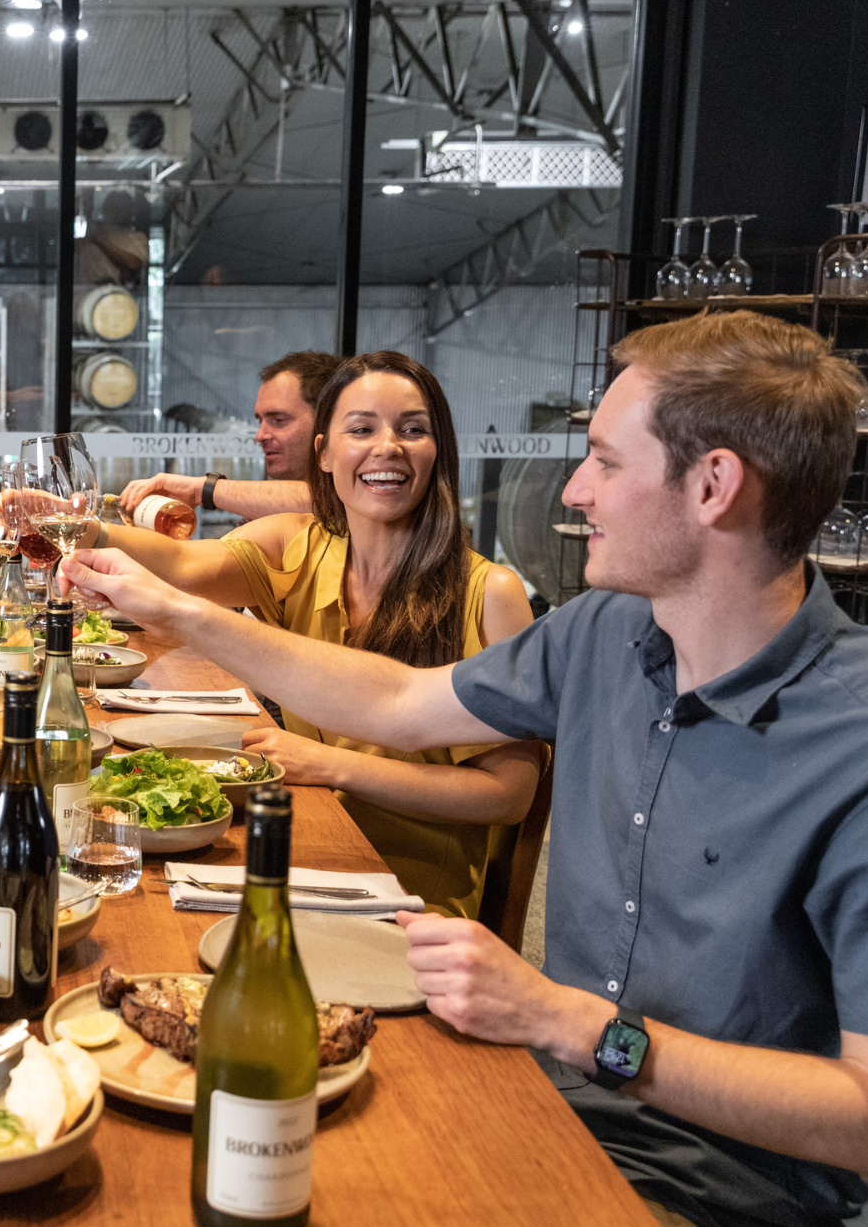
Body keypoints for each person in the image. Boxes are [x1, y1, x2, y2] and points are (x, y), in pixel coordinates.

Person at [64, 312, 868, 1227]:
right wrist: (171, 607)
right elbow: (395, 699)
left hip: (724, 1203)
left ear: (714, 486)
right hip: (545, 1104)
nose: (577, 490)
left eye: (604, 462)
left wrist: (573, 1023)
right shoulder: (604, 632)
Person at [94, 351, 542, 919]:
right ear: (324, 454)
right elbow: (181, 565)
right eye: (362, 429)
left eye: (413, 429)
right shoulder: (299, 544)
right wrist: (81, 527)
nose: (389, 446)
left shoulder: (491, 591)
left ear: (438, 452)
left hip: (409, 900)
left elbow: (508, 795)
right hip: (302, 843)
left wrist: (330, 766)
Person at [118, 349, 340, 520]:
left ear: (326, 422)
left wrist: (201, 490)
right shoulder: (271, 510)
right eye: (260, 421)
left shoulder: (350, 501)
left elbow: (322, 499)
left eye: (279, 421)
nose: (260, 435)